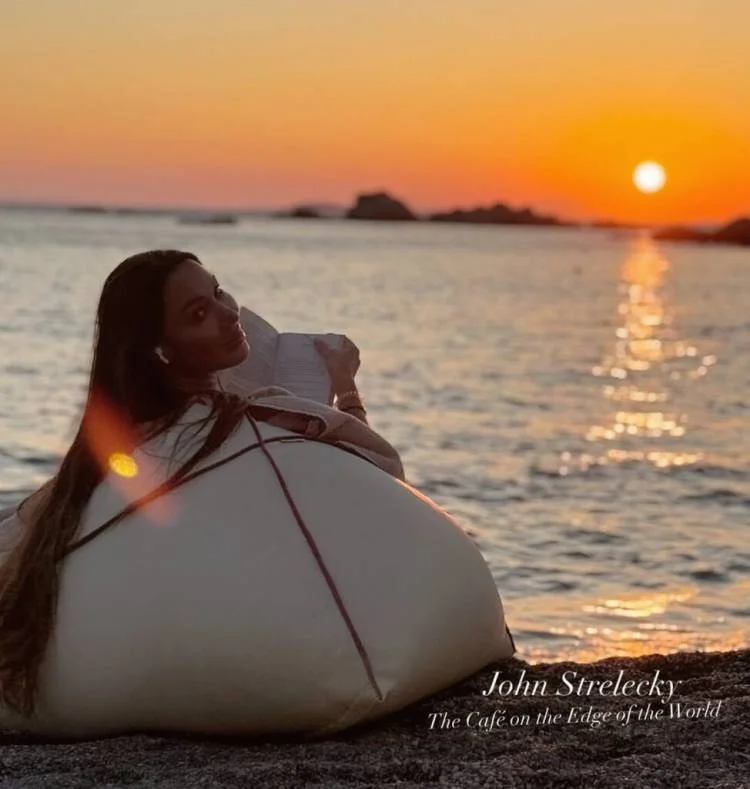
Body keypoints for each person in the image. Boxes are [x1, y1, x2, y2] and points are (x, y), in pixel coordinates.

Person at [0, 248, 403, 719]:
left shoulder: (109, 457)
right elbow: (382, 479)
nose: (229, 314)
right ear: (161, 351)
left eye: (218, 293)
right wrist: (345, 387)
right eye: (198, 314)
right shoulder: (261, 420)